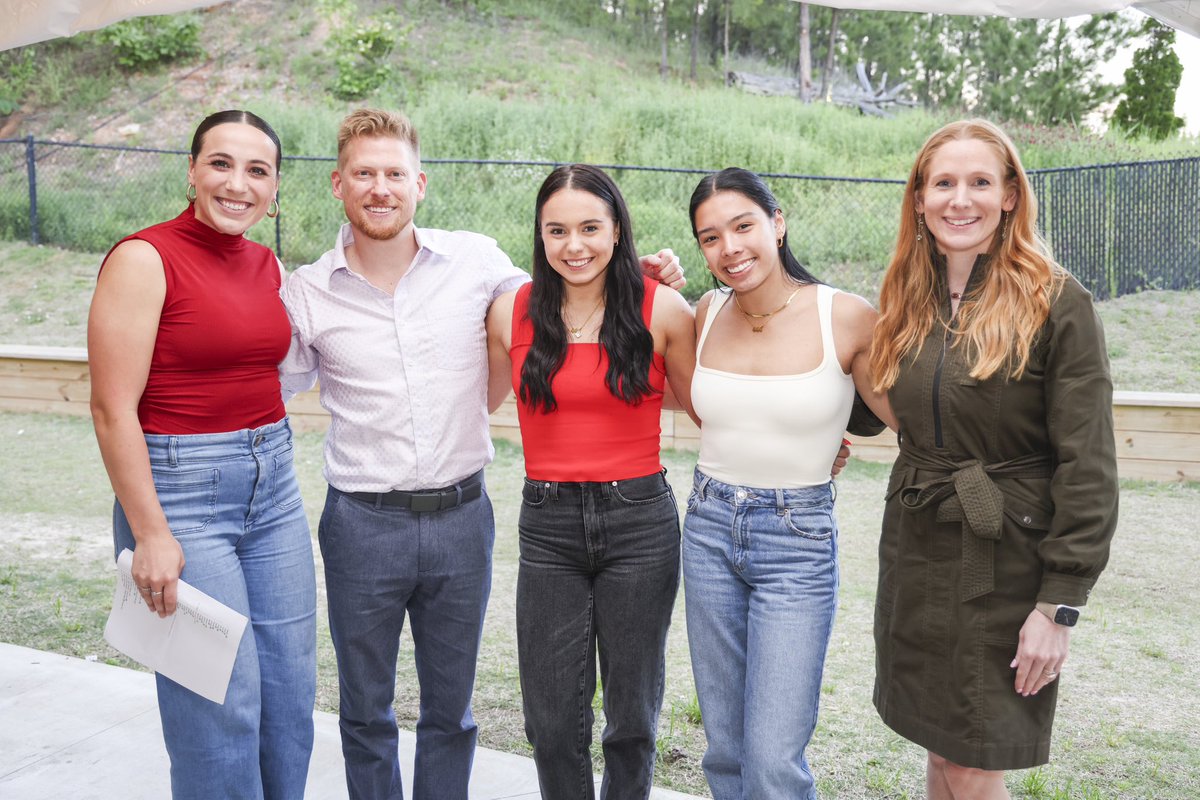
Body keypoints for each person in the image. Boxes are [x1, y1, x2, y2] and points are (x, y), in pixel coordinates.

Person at [278, 110, 684, 800]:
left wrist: (636, 272)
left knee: (452, 714)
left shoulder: (476, 264)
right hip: (362, 523)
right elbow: (262, 383)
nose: (382, 188)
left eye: (395, 174)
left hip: (465, 519)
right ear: (338, 184)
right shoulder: (306, 292)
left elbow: (576, 289)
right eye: (365, 174)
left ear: (420, 183)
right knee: (366, 710)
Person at [869, 119, 1119, 799]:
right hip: (919, 548)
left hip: (1006, 560)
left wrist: (1059, 604)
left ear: (1011, 194)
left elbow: (1089, 463)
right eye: (943, 182)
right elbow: (881, 398)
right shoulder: (906, 297)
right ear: (918, 197)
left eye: (980, 182)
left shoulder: (1056, 301)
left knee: (976, 755)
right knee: (942, 743)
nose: (961, 199)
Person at [88, 110, 316, 800]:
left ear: (275, 186)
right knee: (218, 701)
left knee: (288, 692)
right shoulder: (143, 258)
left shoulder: (266, 262)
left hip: (272, 485)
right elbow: (110, 409)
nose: (237, 183)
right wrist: (152, 532)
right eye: (220, 163)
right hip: (179, 494)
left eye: (257, 170)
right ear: (191, 170)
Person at [680, 167, 896, 800]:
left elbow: (910, 418)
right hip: (709, 527)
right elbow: (718, 408)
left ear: (777, 223)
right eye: (710, 237)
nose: (730, 248)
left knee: (773, 758)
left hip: (796, 538)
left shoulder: (847, 316)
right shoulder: (706, 310)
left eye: (743, 225)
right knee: (724, 749)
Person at [484, 164, 697, 799]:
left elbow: (713, 405)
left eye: (589, 228)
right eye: (557, 231)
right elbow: (460, 393)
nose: (574, 245)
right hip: (547, 526)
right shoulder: (510, 312)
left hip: (640, 522)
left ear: (617, 230)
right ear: (540, 237)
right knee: (551, 721)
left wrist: (816, 441)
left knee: (631, 719)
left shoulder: (662, 308)